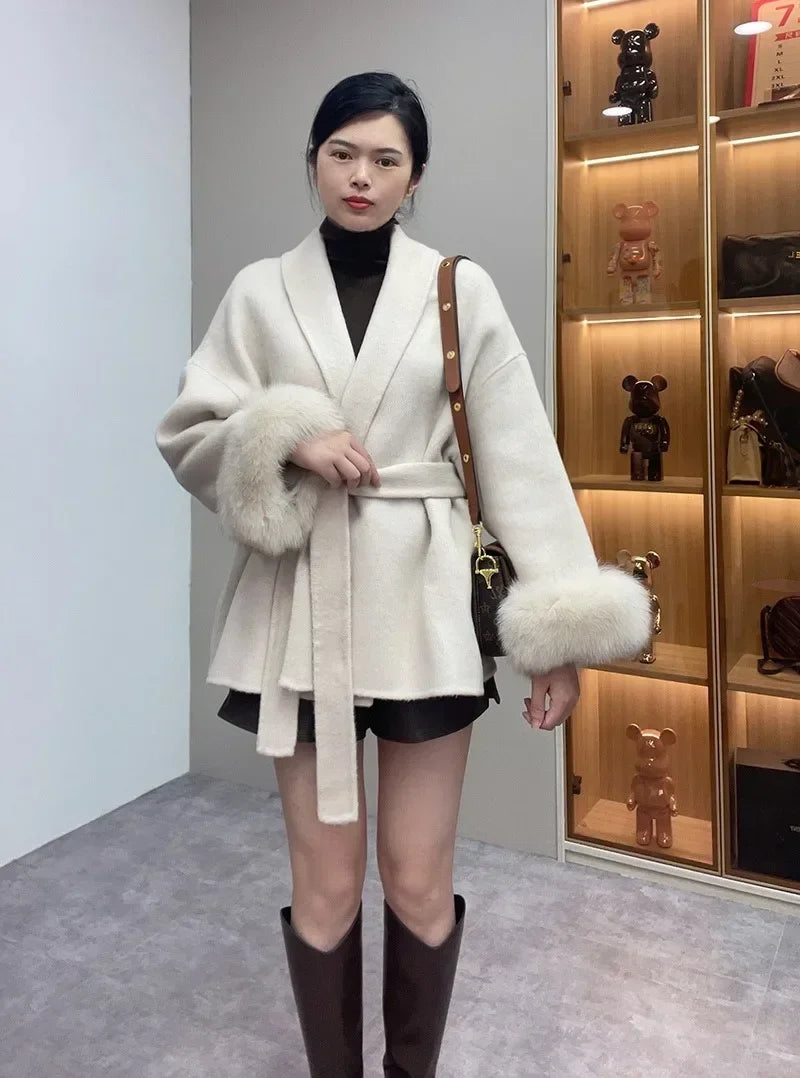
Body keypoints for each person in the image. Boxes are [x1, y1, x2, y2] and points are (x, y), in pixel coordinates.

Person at [156, 71, 651, 1078]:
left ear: (414, 176)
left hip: (424, 605)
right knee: (325, 883)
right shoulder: (258, 291)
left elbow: (518, 460)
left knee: (418, 878)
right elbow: (192, 432)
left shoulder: (458, 290)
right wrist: (285, 436)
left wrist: (556, 641)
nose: (361, 176)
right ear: (312, 160)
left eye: (386, 159)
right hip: (300, 607)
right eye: (342, 153)